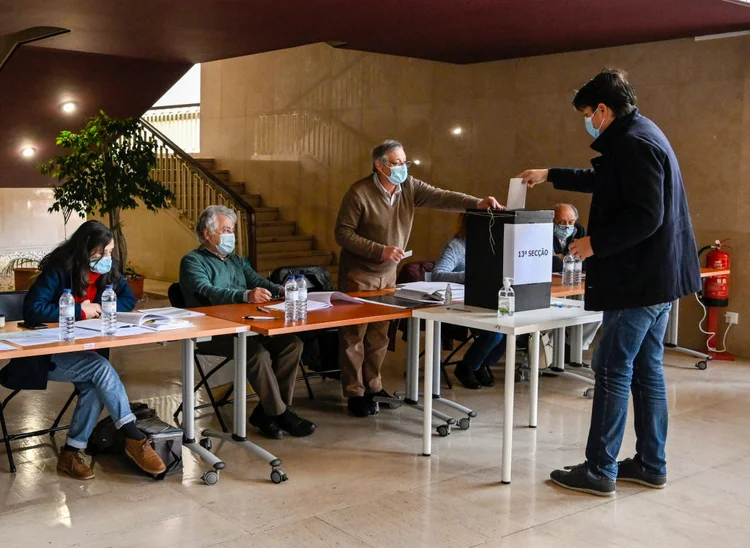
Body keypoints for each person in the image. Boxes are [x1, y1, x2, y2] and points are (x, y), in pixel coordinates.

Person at [518, 69, 700, 496]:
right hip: (657, 279)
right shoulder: (640, 132)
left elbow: (646, 215)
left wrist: (593, 244)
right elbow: (607, 181)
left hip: (639, 281)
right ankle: (651, 463)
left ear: (603, 109)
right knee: (646, 369)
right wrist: (551, 173)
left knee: (613, 368)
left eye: (587, 114)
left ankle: (600, 470)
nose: (587, 122)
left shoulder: (635, 142)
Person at [334, 139, 502, 417]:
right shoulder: (359, 192)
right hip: (359, 274)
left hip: (388, 276)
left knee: (379, 336)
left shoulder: (409, 187)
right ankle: (354, 392)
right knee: (354, 337)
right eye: (397, 163)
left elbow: (442, 196)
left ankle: (374, 386)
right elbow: (343, 234)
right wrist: (380, 250)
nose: (403, 168)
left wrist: (477, 203)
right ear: (380, 165)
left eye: (405, 162)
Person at [11, 220, 166, 479]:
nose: (108, 257)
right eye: (101, 252)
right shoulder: (60, 269)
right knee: (100, 368)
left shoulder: (110, 269)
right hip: (47, 353)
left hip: (88, 347)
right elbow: (34, 309)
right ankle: (134, 436)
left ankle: (71, 454)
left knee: (96, 380)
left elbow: (127, 298)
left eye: (109, 252)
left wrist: (108, 308)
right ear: (85, 251)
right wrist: (79, 310)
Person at [180, 205, 315, 439]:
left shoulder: (237, 261)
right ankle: (280, 414)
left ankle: (268, 412)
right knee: (255, 354)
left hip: (249, 326)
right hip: (212, 332)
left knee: (292, 344)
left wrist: (283, 290)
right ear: (206, 234)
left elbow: (258, 281)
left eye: (232, 230)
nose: (230, 235)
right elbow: (207, 290)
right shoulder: (192, 261)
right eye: (225, 230)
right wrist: (244, 295)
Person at [432, 213, 505, 389]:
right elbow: (437, 274)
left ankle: (480, 363)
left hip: (485, 300)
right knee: (495, 333)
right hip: (459, 304)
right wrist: (469, 275)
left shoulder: (492, 245)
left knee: (510, 331)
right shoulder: (456, 246)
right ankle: (468, 366)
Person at [552, 203, 586, 273]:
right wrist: (573, 258)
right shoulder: (545, 231)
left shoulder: (580, 230)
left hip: (572, 278)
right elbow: (548, 263)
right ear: (553, 220)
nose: (567, 226)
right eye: (561, 222)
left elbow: (586, 262)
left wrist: (563, 256)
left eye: (571, 222)